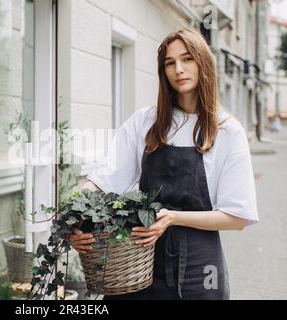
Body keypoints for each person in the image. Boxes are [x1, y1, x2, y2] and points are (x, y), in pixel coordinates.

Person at [69, 28, 259, 300]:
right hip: (137, 263)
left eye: (187, 59)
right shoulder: (144, 122)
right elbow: (102, 179)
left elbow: (237, 217)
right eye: (170, 63)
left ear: (202, 62)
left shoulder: (227, 130)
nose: (178, 69)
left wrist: (173, 217)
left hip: (199, 269)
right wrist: (73, 218)